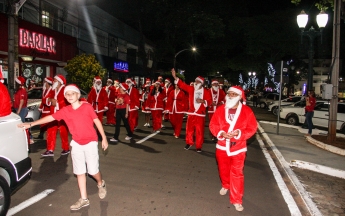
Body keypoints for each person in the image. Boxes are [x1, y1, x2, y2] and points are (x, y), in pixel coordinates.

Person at [18, 84, 108, 210]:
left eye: (73, 93)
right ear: (65, 97)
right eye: (67, 94)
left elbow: (97, 121)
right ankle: (84, 199)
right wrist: (31, 124)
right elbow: (50, 117)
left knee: (93, 171)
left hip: (90, 142)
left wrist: (103, 138)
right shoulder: (66, 111)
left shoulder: (86, 107)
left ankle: (100, 183)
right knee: (79, 172)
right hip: (76, 143)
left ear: (78, 95)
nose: (70, 96)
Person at [209, 86, 257, 212]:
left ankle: (237, 199)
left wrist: (239, 133)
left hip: (239, 148)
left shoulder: (247, 111)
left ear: (240, 97)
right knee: (223, 170)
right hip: (222, 146)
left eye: (234, 94)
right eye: (229, 93)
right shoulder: (220, 109)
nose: (230, 96)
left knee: (237, 174)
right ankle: (225, 184)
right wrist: (221, 133)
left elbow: (252, 128)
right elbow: (213, 124)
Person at [171, 68, 212, 152]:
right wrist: (175, 77)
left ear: (201, 83)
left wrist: (203, 101)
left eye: (197, 81)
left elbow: (209, 101)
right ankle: (189, 142)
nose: (196, 82)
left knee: (199, 131)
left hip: (200, 114)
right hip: (191, 113)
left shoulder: (206, 91)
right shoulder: (191, 89)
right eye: (195, 81)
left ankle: (199, 146)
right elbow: (182, 85)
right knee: (189, 129)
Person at [42, 75, 70, 156]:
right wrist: (50, 100)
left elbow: (67, 101)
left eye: (55, 80)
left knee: (63, 132)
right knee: (50, 131)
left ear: (59, 82)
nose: (53, 82)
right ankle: (50, 150)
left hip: (62, 115)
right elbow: (45, 100)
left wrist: (57, 103)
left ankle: (66, 148)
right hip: (53, 114)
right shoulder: (52, 90)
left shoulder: (65, 90)